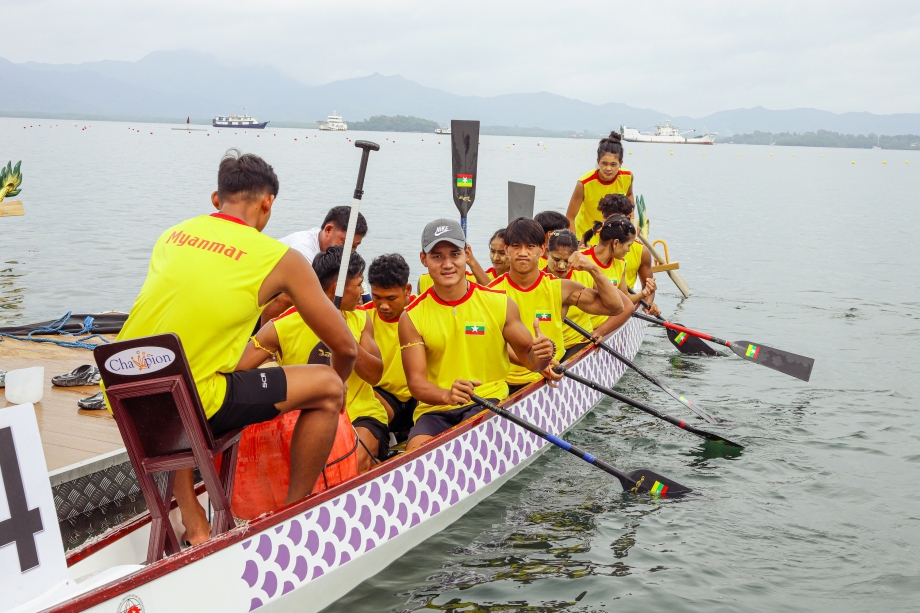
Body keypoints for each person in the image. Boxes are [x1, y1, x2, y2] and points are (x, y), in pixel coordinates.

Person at [107, 149, 357, 545]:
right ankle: (291, 516)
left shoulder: (171, 235)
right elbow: (346, 347)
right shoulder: (281, 259)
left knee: (187, 370)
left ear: (215, 199)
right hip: (193, 403)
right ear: (267, 202)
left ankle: (194, 522)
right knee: (326, 388)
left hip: (128, 396)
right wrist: (340, 389)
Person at [399, 218, 555, 451]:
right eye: (437, 256)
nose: (447, 264)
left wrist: (544, 352)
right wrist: (447, 395)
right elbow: (417, 384)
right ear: (424, 259)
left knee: (467, 444)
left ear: (467, 254)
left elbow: (531, 361)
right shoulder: (411, 317)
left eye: (454, 254)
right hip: (435, 409)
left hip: (488, 401)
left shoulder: (499, 303)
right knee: (415, 451)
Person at [239, 246, 390, 474]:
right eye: (358, 284)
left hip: (361, 415)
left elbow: (375, 375)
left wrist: (344, 338)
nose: (363, 291)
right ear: (335, 288)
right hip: (304, 420)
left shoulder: (360, 319)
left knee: (351, 462)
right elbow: (239, 368)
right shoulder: (282, 326)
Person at [489, 217, 626, 393]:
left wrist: (594, 269)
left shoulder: (560, 288)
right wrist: (535, 364)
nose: (523, 253)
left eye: (530, 246)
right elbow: (493, 344)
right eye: (516, 246)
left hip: (553, 374)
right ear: (507, 249)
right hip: (505, 382)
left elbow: (616, 307)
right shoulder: (491, 293)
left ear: (542, 249)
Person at [262, 206, 369, 323]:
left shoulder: (341, 256)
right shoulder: (302, 250)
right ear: (328, 230)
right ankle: (263, 337)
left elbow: (365, 298)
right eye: (345, 243)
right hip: (261, 298)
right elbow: (308, 294)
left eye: (355, 246)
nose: (350, 251)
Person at [544, 229, 635, 359]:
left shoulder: (585, 274)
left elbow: (626, 306)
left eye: (567, 260)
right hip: (548, 347)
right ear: (546, 253)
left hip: (578, 342)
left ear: (576, 255)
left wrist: (600, 331)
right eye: (556, 259)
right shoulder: (537, 276)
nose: (562, 266)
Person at [361, 253, 418, 441]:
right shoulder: (362, 316)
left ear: (407, 289)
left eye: (391, 298)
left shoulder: (424, 310)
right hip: (382, 396)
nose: (383, 306)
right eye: (377, 297)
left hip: (419, 396)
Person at [581, 215, 656, 328]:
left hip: (605, 327)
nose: (629, 250)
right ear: (616, 243)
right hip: (584, 329)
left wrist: (643, 293)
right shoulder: (581, 260)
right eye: (628, 245)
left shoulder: (620, 264)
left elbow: (625, 300)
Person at [565, 131, 633, 246]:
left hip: (613, 239)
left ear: (620, 163)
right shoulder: (584, 183)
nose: (608, 169)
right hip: (586, 239)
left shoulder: (627, 177)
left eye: (613, 164)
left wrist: (630, 218)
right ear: (598, 162)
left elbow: (629, 194)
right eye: (604, 163)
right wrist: (574, 246)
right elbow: (570, 217)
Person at [596, 193, 660, 315]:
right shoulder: (590, 239)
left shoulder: (641, 251)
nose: (610, 223)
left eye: (615, 218)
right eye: (606, 218)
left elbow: (648, 286)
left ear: (629, 217)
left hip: (624, 302)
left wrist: (649, 302)